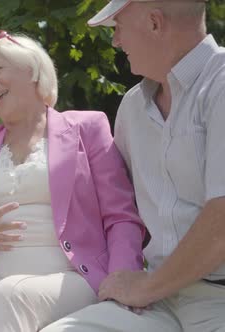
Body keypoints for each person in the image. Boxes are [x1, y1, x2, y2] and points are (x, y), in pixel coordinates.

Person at [0, 30, 146, 332]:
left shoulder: (87, 127)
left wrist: (122, 278)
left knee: (11, 298)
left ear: (33, 69)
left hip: (74, 278)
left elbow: (121, 216)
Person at [42, 0, 225, 331]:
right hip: (157, 302)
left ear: (155, 23)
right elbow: (117, 211)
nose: (115, 42)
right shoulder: (131, 108)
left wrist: (145, 287)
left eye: (118, 28)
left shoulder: (221, 84)